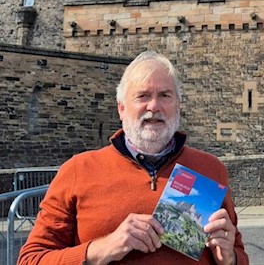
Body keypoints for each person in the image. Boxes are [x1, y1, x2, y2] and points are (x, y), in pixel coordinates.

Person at [18, 51, 249, 265]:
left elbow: (238, 254)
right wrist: (101, 249)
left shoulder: (211, 168)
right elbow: (30, 259)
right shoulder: (78, 170)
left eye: (165, 95)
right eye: (142, 96)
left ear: (178, 106)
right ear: (121, 108)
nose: (154, 106)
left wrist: (229, 258)